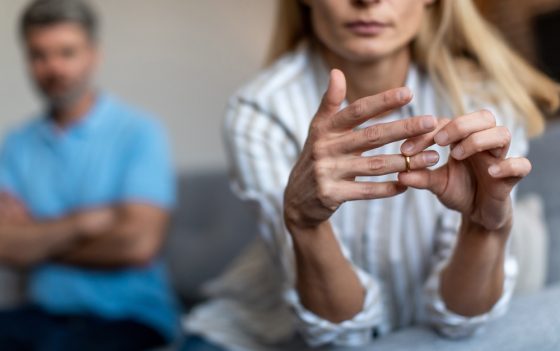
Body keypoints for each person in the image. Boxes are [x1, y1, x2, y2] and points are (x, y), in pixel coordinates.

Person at [183, 0, 559, 350]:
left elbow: (461, 323)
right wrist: (304, 222)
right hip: (259, 339)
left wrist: (483, 229)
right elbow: (340, 332)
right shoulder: (260, 111)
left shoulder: (484, 103)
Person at [0, 0, 179, 350]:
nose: (53, 68)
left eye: (67, 52)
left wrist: (35, 242)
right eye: (39, 55)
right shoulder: (15, 144)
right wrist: (84, 223)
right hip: (42, 313)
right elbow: (4, 245)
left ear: (94, 55)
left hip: (132, 317)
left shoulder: (139, 132)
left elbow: (137, 243)